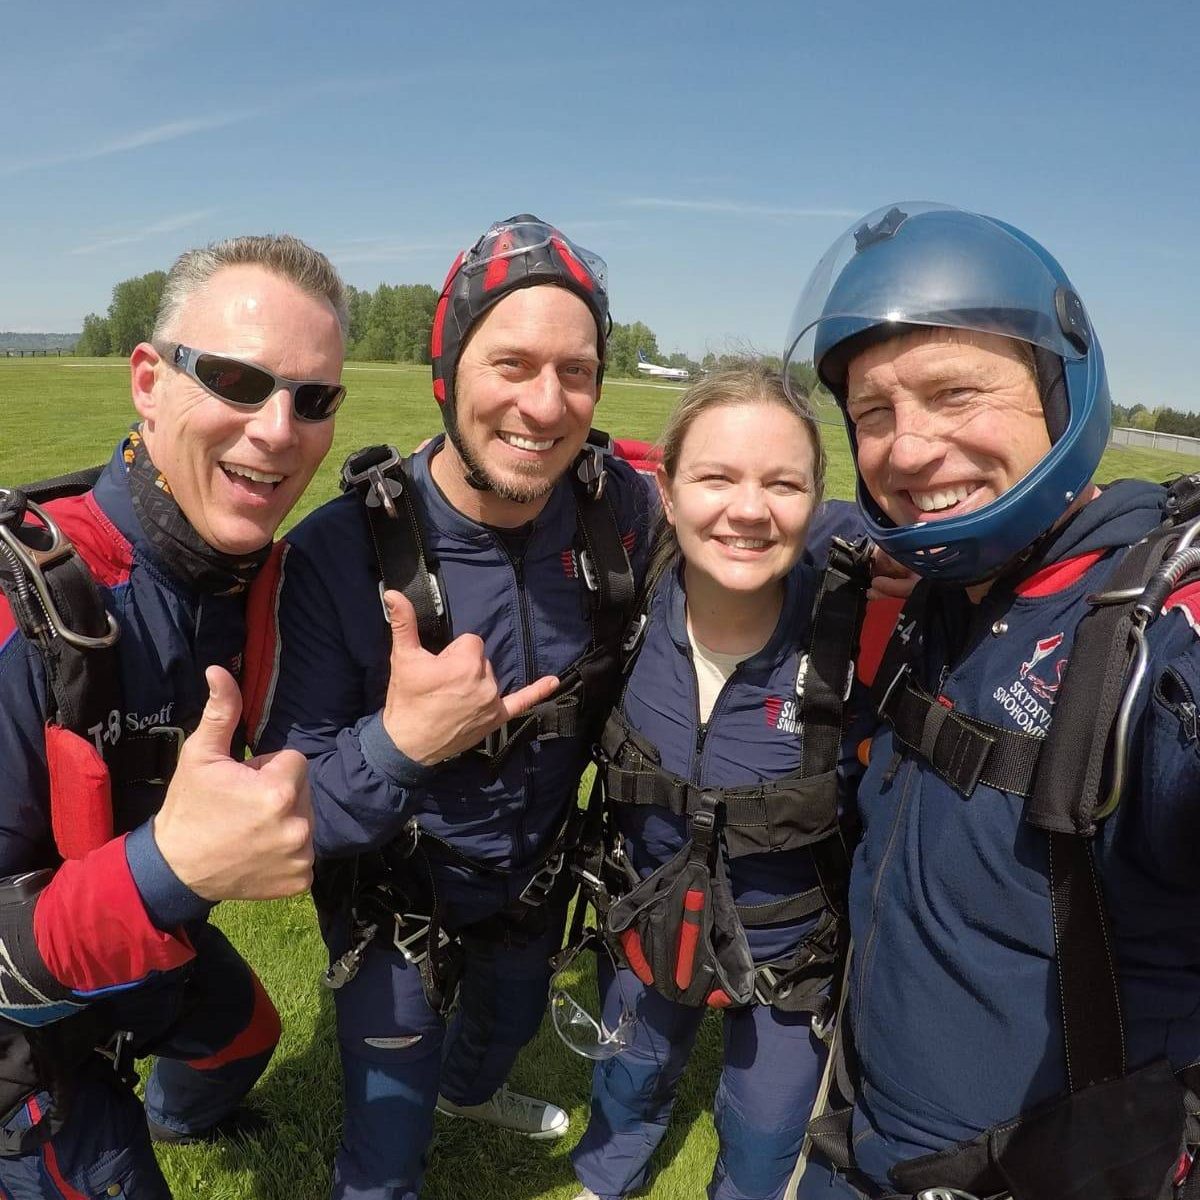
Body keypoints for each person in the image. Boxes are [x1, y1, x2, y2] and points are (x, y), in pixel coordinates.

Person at [782, 202, 1200, 1199]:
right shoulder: (941, 602)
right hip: (859, 1147)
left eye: (954, 394)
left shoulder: (1152, 627)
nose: (908, 449)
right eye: (873, 414)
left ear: (1062, 393)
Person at [244, 215, 656, 1200]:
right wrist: (400, 743)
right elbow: (280, 812)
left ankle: (471, 1092)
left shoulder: (619, 514)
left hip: (536, 877)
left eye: (577, 371)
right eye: (510, 363)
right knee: (384, 1159)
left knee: (505, 1030)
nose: (545, 405)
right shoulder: (340, 553)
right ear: (448, 369)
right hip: (400, 897)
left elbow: (745, 517)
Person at [0, 233, 346, 1198]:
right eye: (237, 379)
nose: (278, 429)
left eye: (313, 399)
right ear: (147, 381)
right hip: (20, 1051)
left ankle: (179, 1119)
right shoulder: (23, 604)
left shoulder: (274, 585)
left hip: (144, 944)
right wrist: (168, 871)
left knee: (246, 1039)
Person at [567, 364, 864, 1200]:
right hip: (646, 919)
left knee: (768, 1133)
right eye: (716, 477)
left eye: (782, 483)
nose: (747, 508)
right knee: (629, 1078)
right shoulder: (629, 597)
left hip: (788, 956)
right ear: (666, 491)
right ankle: (606, 1177)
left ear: (814, 500)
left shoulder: (857, 625)